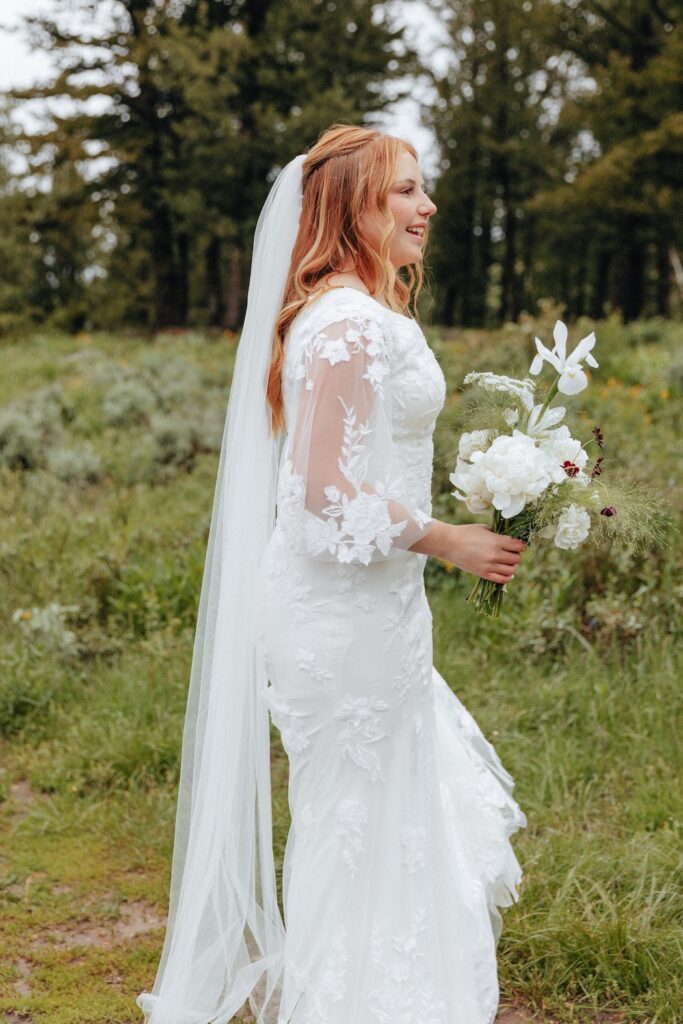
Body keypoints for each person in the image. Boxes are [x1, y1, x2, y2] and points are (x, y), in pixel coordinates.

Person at [137, 124, 527, 1024]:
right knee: (358, 824)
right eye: (402, 190)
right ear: (350, 204)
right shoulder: (347, 321)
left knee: (379, 816)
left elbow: (363, 460)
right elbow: (321, 495)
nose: (425, 206)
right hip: (342, 614)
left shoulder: (354, 311)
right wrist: (448, 538)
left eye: (424, 189)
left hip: (371, 605)